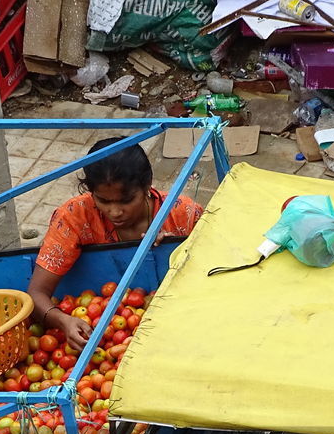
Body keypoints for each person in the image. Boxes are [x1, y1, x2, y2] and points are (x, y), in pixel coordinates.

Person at [28, 137, 204, 351]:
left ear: (147, 185)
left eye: (126, 200)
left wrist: (175, 248)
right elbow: (36, 294)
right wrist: (63, 321)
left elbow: (215, 277)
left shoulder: (182, 216)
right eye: (103, 201)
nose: (115, 212)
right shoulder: (74, 218)